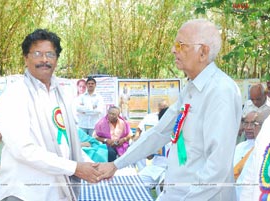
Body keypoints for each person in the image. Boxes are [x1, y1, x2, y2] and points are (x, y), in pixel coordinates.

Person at [97, 19, 242, 201]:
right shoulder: (190, 89)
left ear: (203, 52)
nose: (174, 50)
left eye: (181, 45)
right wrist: (116, 165)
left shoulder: (221, 91)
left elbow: (217, 169)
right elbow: (159, 132)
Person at [0, 29, 101, 201]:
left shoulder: (62, 94)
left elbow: (65, 141)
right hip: (26, 193)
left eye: (50, 54)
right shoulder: (15, 95)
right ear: (26, 58)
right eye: (37, 53)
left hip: (59, 189)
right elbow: (23, 150)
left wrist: (92, 166)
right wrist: (74, 168)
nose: (44, 59)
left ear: (57, 59)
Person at [235, 109, 270, 200]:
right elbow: (248, 182)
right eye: (246, 123)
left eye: (255, 124)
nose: (251, 128)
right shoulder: (241, 147)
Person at [138, 107, 170, 195]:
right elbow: (149, 157)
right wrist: (149, 148)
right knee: (136, 182)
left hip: (171, 170)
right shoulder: (157, 133)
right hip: (155, 167)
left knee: (163, 187)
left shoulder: (182, 134)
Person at [132, 99, 168, 171]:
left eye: (165, 107)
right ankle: (141, 170)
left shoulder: (169, 118)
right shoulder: (149, 116)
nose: (163, 109)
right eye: (161, 107)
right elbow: (139, 128)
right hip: (146, 140)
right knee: (136, 144)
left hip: (159, 142)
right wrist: (136, 136)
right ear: (158, 108)